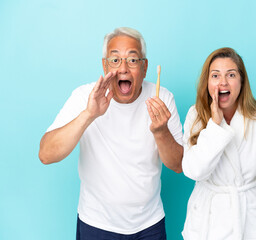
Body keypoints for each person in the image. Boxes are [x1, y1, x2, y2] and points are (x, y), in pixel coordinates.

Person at [38, 27, 183, 240]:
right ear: (104, 65)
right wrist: (89, 114)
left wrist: (161, 131)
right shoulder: (84, 97)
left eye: (133, 60)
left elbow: (178, 165)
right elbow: (46, 154)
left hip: (150, 225)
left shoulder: (162, 97)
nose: (123, 68)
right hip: (96, 224)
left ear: (145, 67)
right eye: (115, 60)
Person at [181, 47, 256, 240]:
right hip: (209, 220)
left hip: (251, 218)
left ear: (241, 81)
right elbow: (194, 171)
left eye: (231, 75)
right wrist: (215, 125)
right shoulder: (196, 115)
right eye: (215, 75)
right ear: (207, 82)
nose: (223, 82)